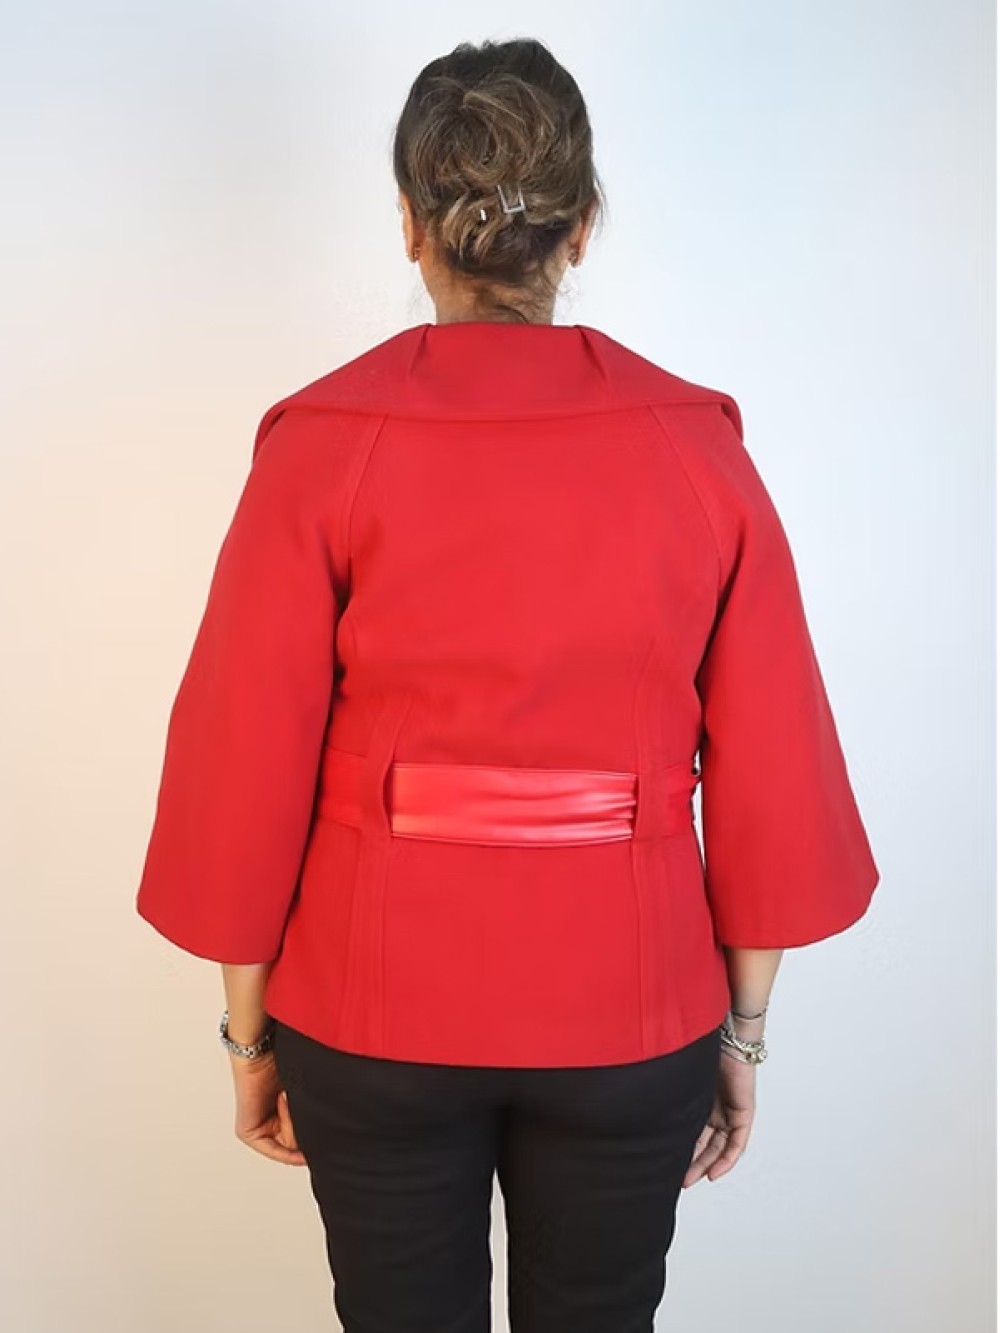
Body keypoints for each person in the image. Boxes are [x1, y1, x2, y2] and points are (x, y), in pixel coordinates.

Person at [135, 35, 880, 1333]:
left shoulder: (322, 445)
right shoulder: (695, 449)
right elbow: (773, 763)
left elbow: (239, 760)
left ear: (410, 224)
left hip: (369, 1015)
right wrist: (742, 1034)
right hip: (631, 1013)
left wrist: (250, 1039)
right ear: (581, 226)